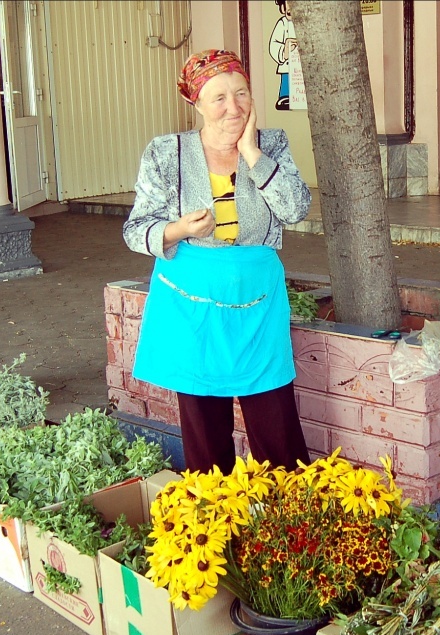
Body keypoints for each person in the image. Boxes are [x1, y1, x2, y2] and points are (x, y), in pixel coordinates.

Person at [123, 48, 311, 475]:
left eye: (241, 93)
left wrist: (252, 154)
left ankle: (291, 526)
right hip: (192, 308)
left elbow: (296, 208)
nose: (234, 106)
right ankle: (216, 527)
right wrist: (179, 231)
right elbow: (136, 229)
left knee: (277, 430)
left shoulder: (272, 143)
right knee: (206, 439)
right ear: (197, 104)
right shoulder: (165, 153)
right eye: (219, 97)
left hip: (257, 303)